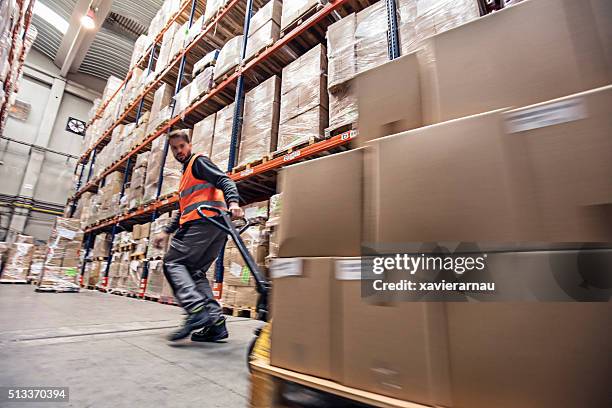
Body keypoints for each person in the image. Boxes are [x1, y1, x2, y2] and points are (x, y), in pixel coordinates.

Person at [152, 129, 243, 342]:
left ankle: (195, 310)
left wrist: (234, 202)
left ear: (189, 145)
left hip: (202, 222)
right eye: (174, 148)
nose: (178, 151)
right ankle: (216, 323)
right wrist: (166, 231)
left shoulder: (198, 162)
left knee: (172, 262)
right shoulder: (186, 177)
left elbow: (225, 180)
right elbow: (183, 209)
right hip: (215, 226)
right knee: (195, 273)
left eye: (181, 146)